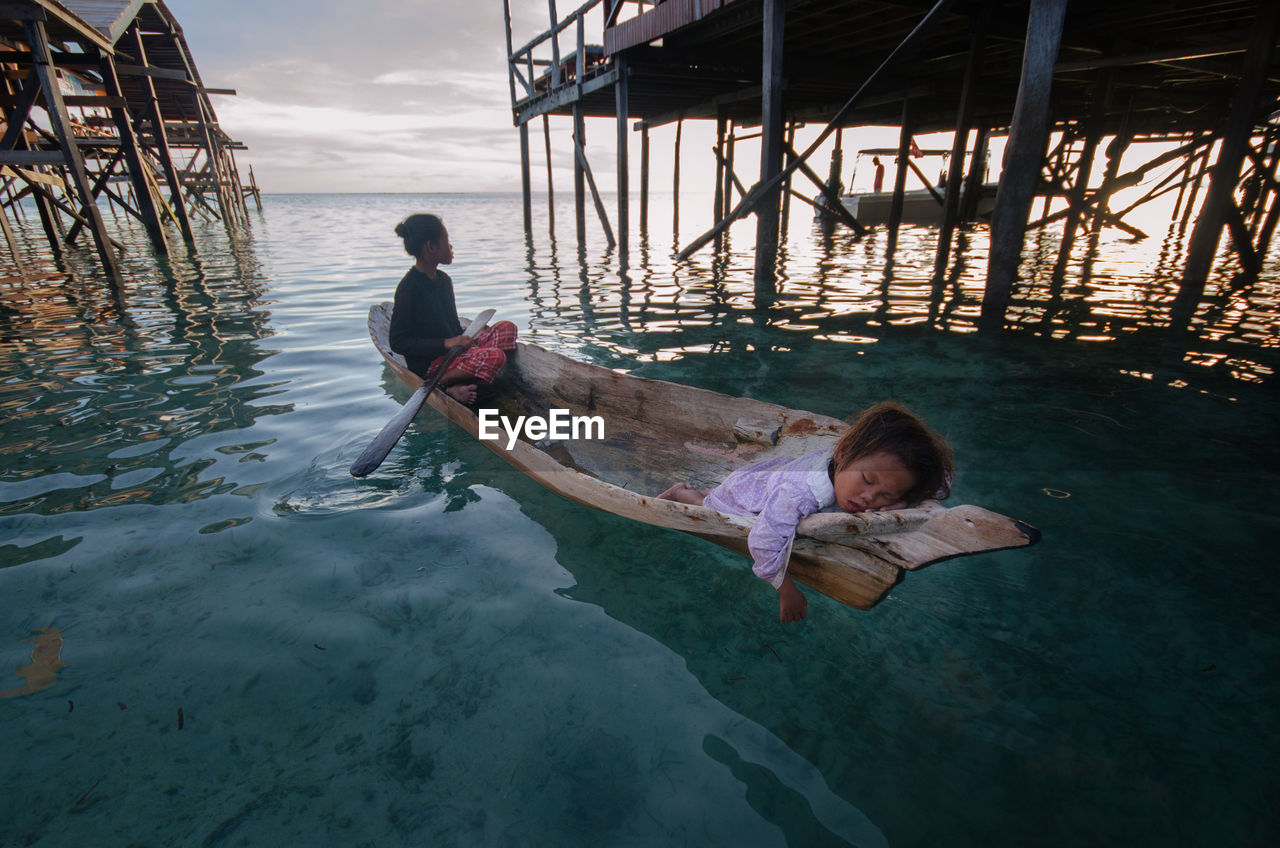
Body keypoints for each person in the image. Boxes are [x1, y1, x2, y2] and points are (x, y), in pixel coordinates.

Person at [658, 402, 953, 622]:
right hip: (747, 493)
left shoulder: (856, 470)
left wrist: (899, 502)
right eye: (867, 481)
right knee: (710, 505)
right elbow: (762, 541)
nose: (869, 498)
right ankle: (681, 492)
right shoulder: (802, 494)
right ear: (843, 452)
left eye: (885, 495)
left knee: (754, 496)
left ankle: (707, 492)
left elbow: (939, 484)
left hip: (770, 479)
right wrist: (786, 589)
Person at [388, 214, 517, 405]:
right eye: (446, 240)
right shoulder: (408, 288)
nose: (451, 246)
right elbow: (398, 342)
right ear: (431, 247)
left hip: (454, 354)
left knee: (507, 328)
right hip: (432, 365)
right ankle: (443, 386)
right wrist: (446, 343)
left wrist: (466, 339)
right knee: (495, 356)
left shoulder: (444, 281)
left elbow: (451, 324)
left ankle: (471, 375)